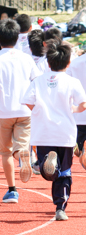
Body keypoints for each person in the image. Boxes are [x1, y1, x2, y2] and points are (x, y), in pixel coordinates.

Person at [0, 19, 41, 203]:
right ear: (17, 37)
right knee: (22, 145)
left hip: (3, 111)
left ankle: (12, 190)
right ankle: (22, 155)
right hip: (24, 110)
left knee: (5, 152)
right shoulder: (26, 58)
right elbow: (36, 81)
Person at [23, 42, 86, 221]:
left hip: (43, 132)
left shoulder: (38, 80)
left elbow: (28, 101)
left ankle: (48, 166)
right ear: (68, 63)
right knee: (65, 171)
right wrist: (72, 110)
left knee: (47, 169)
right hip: (64, 132)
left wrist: (38, 110)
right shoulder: (72, 81)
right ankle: (60, 208)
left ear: (48, 63)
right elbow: (83, 104)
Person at [66, 44, 86, 173]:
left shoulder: (74, 63)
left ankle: (82, 149)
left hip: (80, 113)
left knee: (79, 149)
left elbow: (68, 87)